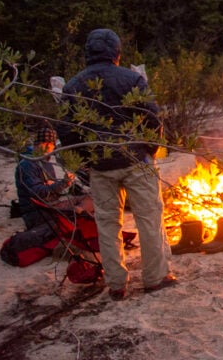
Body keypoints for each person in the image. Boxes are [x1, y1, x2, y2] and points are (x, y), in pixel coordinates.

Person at [60, 28, 175, 300]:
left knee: (107, 224)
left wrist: (85, 164)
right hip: (137, 161)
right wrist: (149, 151)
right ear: (117, 53)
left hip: (100, 166)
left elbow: (66, 131)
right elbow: (152, 119)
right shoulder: (132, 79)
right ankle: (155, 278)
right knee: (149, 219)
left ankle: (116, 284)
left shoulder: (73, 86)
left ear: (88, 53)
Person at [14, 125, 92, 230]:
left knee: (93, 198)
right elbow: (37, 193)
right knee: (85, 208)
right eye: (44, 143)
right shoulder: (27, 164)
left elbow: (51, 191)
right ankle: (75, 215)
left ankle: (77, 213)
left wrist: (65, 185)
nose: (48, 147)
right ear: (36, 144)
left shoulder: (46, 162)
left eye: (51, 144)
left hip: (53, 205)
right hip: (39, 212)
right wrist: (62, 183)